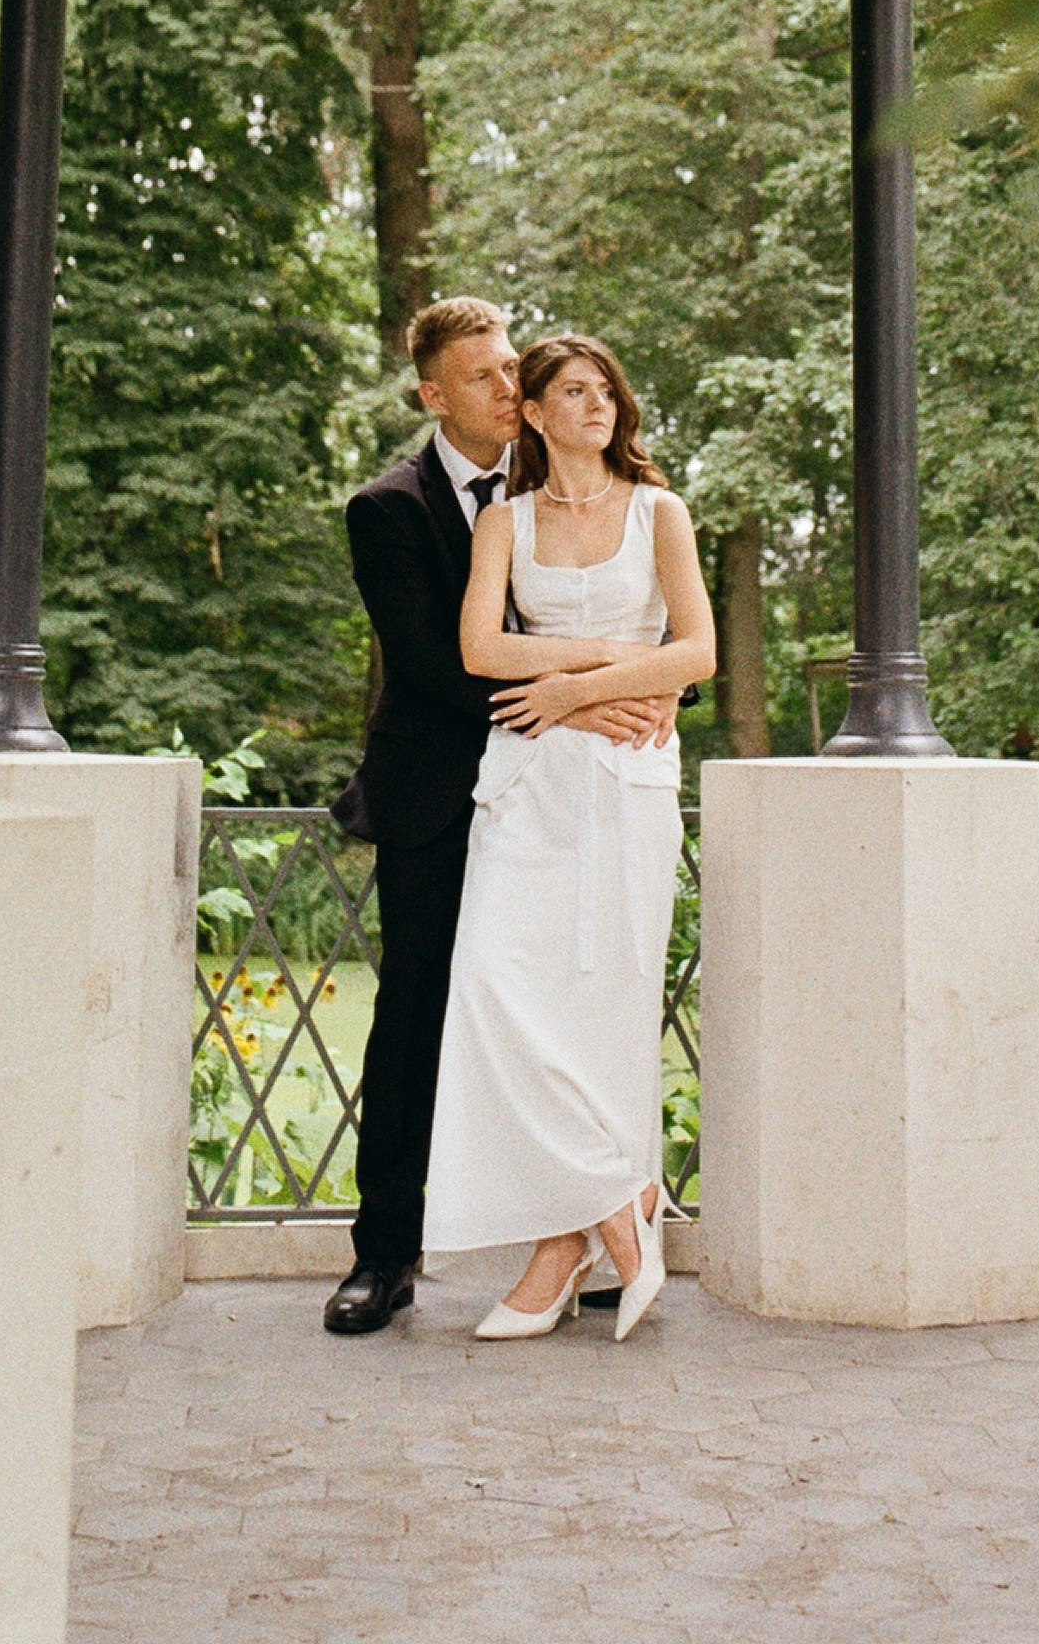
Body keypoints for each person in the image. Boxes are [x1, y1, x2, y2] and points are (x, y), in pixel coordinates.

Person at [324, 300, 669, 1338]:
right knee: (421, 1017)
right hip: (439, 793)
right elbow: (434, 665)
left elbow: (640, 616)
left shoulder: (580, 484)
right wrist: (582, 694)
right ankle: (383, 1257)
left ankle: (581, 1241)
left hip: (579, 794)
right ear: (434, 394)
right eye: (483, 376)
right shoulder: (387, 508)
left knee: (583, 1005)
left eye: (515, 365)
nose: (510, 386)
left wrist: (631, 698)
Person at [422, 332, 716, 1340]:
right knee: (497, 988)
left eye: (605, 391)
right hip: (531, 778)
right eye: (571, 391)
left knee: (605, 1007)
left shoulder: (659, 511)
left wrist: (571, 688)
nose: (595, 404)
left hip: (626, 780)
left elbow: (699, 650)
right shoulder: (503, 520)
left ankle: (559, 1251)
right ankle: (615, 1209)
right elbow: (476, 645)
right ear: (536, 415)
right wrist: (606, 677)